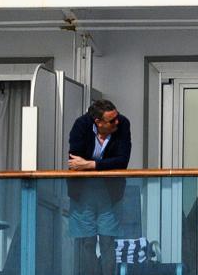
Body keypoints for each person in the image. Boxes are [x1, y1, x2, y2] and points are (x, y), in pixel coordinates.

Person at [68, 99, 132, 275]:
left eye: (116, 117)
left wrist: (91, 165)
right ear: (98, 122)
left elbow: (122, 160)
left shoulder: (123, 124)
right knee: (86, 241)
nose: (116, 122)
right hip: (83, 191)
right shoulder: (81, 125)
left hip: (110, 191)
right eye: (111, 120)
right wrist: (103, 164)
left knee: (107, 240)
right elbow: (75, 161)